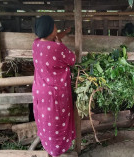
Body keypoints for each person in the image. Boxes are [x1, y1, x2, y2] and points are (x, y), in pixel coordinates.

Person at [32, 15, 76, 157]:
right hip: (55, 94)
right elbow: (72, 59)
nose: (56, 29)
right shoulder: (58, 48)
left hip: (40, 91)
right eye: (55, 26)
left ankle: (49, 148)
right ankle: (56, 151)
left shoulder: (36, 43)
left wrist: (64, 32)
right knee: (57, 122)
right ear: (50, 30)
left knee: (46, 122)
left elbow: (51, 38)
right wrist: (61, 42)